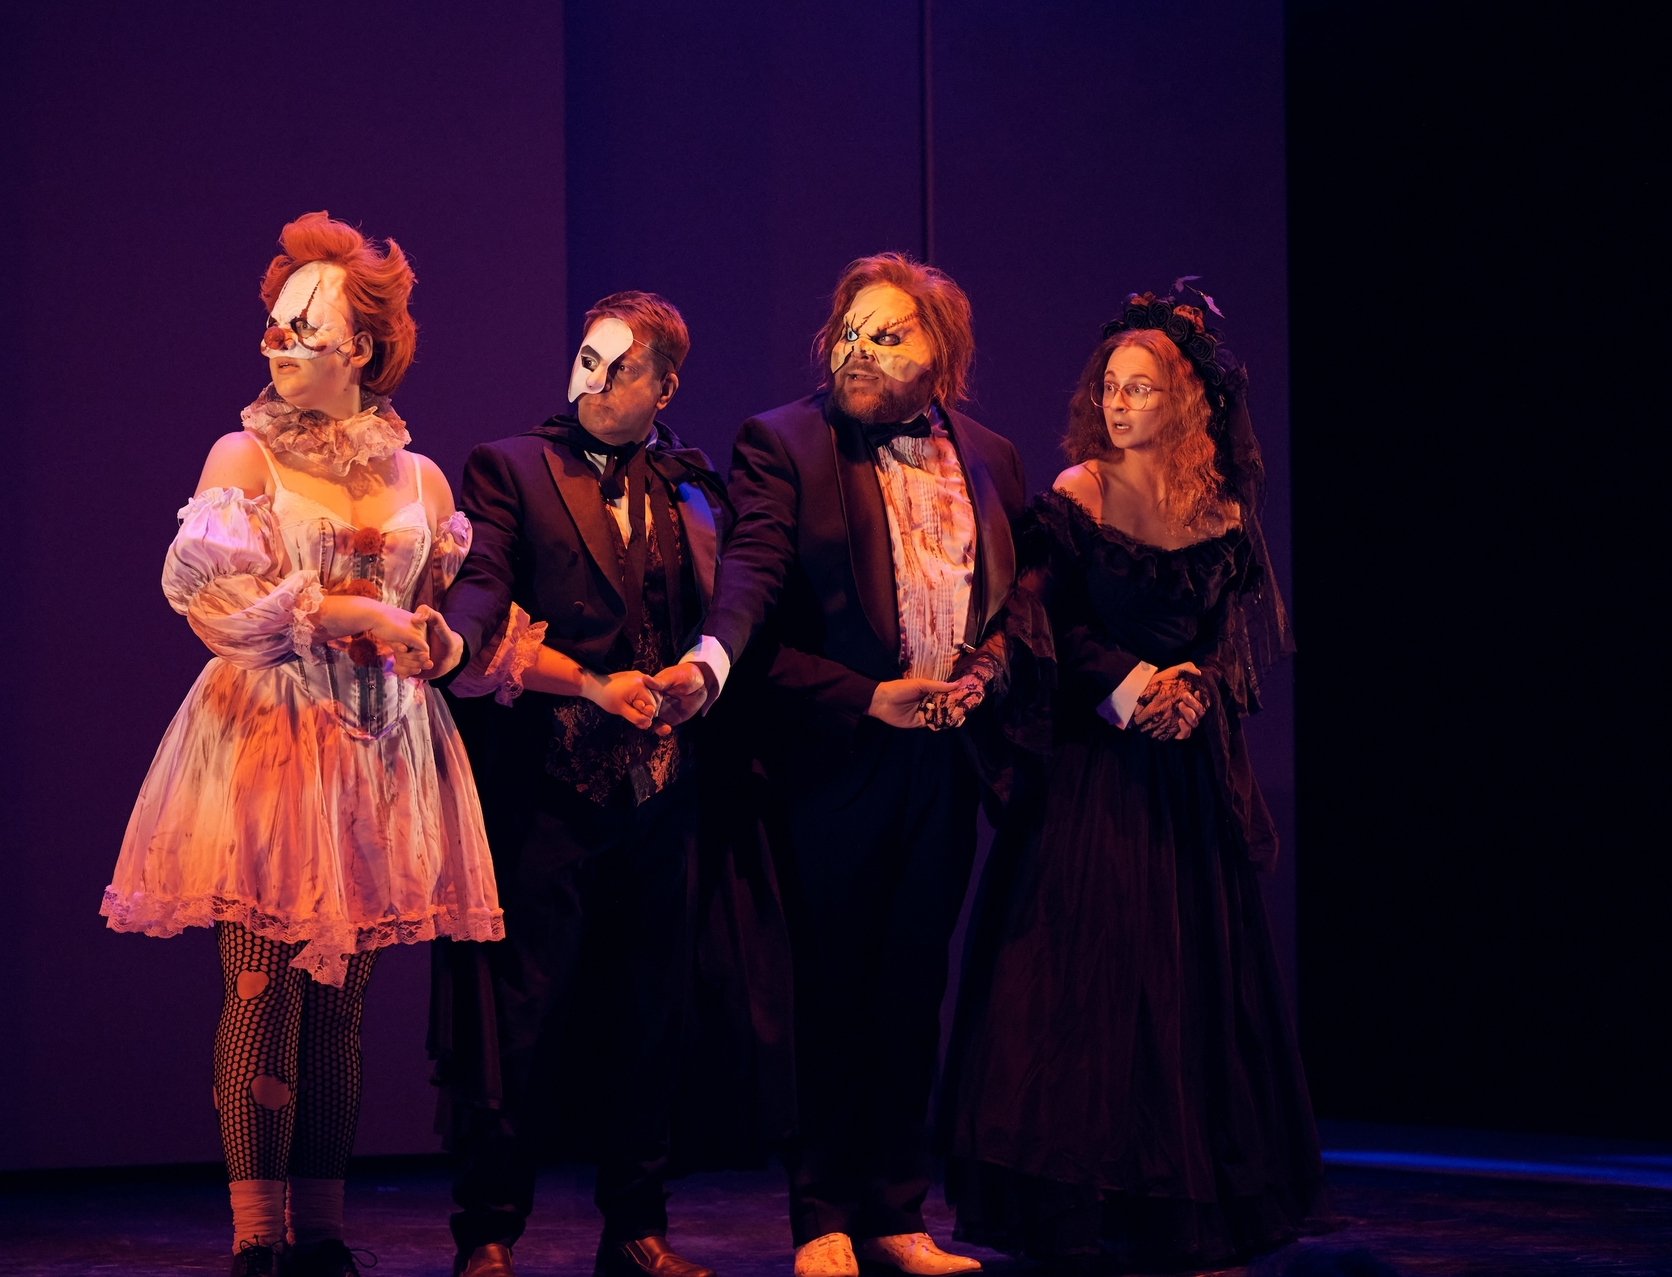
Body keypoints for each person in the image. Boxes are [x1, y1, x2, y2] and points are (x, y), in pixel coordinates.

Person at [101, 212, 502, 1277]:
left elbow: (444, 618)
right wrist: (348, 611)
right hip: (269, 742)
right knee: (260, 984)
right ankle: (257, 1236)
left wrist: (438, 642)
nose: (275, 344)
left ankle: (321, 1230)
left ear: (361, 347)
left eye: (302, 330)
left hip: (374, 753)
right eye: (274, 326)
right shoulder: (244, 456)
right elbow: (219, 609)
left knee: (339, 1003)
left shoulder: (421, 481)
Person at [652, 254, 1022, 1277]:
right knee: (827, 986)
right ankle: (819, 1213)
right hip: (834, 754)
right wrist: (844, 691)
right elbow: (752, 590)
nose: (858, 349)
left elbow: (1014, 598)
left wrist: (987, 668)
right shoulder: (785, 442)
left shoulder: (990, 454)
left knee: (911, 984)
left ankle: (897, 1208)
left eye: (887, 334)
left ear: (940, 351)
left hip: (942, 757)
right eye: (850, 330)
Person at [937, 292, 1320, 1271]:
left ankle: (1176, 1201)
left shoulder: (1222, 514)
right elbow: (1043, 624)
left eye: (1140, 388)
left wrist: (1195, 688)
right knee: (1083, 977)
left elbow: (1228, 645)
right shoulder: (1079, 494)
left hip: (1183, 776)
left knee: (1188, 975)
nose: (1117, 403)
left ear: (1182, 402)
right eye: (1109, 386)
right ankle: (1078, 1201)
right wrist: (1135, 683)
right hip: (1093, 767)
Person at [431, 292, 759, 1277]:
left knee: (649, 1009)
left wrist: (697, 674)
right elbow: (484, 580)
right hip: (548, 788)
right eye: (589, 358)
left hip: (660, 790)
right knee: (518, 1012)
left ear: (665, 385)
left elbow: (728, 599)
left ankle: (636, 1226)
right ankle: (489, 1230)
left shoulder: (691, 484)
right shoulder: (511, 466)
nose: (597, 382)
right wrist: (457, 634)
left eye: (623, 369)